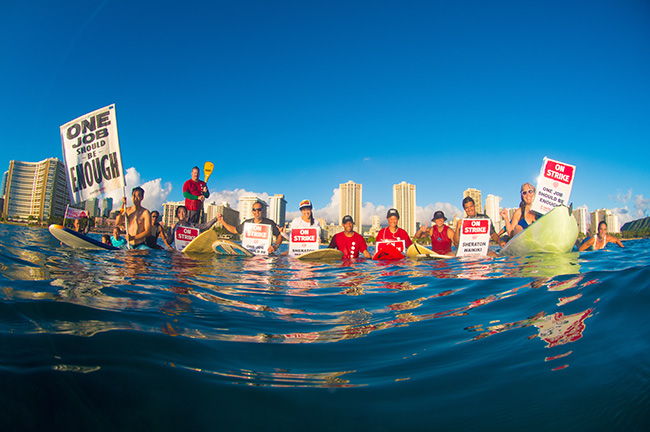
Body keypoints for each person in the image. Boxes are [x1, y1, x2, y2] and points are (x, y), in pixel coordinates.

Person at [217, 202, 283, 254]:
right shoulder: (247, 223)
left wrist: (275, 246)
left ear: (262, 211)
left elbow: (280, 235)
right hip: (249, 254)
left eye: (259, 210)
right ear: (252, 211)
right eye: (254, 210)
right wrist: (222, 222)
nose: (257, 212)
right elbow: (234, 230)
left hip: (265, 255)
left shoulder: (270, 223)